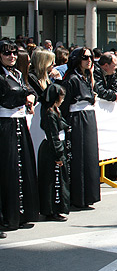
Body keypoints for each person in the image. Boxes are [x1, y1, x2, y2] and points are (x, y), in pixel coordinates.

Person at [0, 40, 39, 236]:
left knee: (22, 168)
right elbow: (7, 98)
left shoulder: (17, 74)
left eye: (14, 53)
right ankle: (6, 217)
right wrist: (24, 96)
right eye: (7, 53)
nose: (12, 56)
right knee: (7, 170)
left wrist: (30, 96)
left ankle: (22, 213)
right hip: (4, 126)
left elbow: (31, 89)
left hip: (19, 123)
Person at [61, 47, 100, 209]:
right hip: (77, 120)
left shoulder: (86, 76)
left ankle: (89, 195)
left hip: (88, 118)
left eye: (90, 57)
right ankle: (78, 197)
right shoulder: (71, 78)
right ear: (77, 59)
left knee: (90, 157)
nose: (89, 60)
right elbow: (64, 104)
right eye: (85, 57)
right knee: (79, 158)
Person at [38, 84, 71, 222]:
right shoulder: (49, 113)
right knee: (53, 181)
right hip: (52, 151)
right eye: (61, 98)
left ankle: (56, 208)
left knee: (58, 180)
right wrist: (59, 155)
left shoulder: (54, 110)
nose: (63, 100)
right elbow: (53, 136)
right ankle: (52, 210)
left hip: (56, 147)